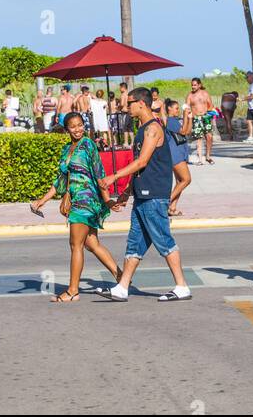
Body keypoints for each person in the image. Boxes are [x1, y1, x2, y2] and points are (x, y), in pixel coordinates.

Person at [99, 87, 192, 302]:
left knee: (163, 240)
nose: (126, 106)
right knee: (135, 242)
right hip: (142, 193)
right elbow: (141, 169)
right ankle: (122, 287)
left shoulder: (153, 129)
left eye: (130, 102)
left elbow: (141, 162)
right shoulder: (142, 130)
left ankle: (181, 286)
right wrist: (127, 192)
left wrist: (113, 177)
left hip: (154, 194)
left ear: (142, 103)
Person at [30, 112, 122, 302]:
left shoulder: (87, 144)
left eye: (80, 125)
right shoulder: (67, 150)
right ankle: (122, 278)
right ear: (67, 129)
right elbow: (60, 181)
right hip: (76, 200)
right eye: (73, 126)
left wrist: (107, 199)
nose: (78, 129)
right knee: (91, 243)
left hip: (86, 200)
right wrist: (43, 200)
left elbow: (99, 171)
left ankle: (73, 291)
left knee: (75, 245)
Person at [165, 99, 192, 216]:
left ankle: (172, 208)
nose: (178, 111)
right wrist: (185, 116)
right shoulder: (170, 121)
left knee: (179, 182)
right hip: (175, 154)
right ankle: (167, 202)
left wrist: (190, 118)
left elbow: (188, 131)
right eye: (176, 108)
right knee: (186, 179)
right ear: (169, 109)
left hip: (179, 153)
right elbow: (183, 131)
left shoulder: (175, 120)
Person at [186, 79, 215, 166]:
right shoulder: (190, 95)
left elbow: (211, 105)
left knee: (209, 137)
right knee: (199, 138)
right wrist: (189, 117)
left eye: (195, 85)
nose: (193, 87)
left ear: (199, 85)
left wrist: (209, 113)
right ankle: (199, 159)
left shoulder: (205, 93)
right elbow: (186, 107)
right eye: (192, 85)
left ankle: (208, 156)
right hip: (196, 118)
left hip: (206, 117)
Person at [116, 82, 133, 149]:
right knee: (130, 128)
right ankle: (132, 142)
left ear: (123, 87)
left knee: (125, 128)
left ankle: (126, 142)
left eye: (120, 87)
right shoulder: (129, 94)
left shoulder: (123, 94)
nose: (119, 89)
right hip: (130, 112)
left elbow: (122, 104)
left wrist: (117, 107)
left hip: (125, 113)